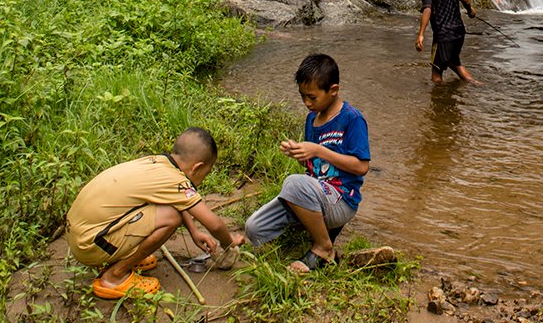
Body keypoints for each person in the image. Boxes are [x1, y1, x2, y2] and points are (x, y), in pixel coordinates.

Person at [65, 128, 245, 299]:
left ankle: (124, 256)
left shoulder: (159, 162)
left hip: (80, 234)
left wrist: (194, 231)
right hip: (90, 245)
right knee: (171, 218)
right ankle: (114, 276)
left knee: (167, 211)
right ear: (197, 167)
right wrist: (229, 242)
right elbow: (214, 224)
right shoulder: (175, 180)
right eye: (206, 173)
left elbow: (172, 200)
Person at [244, 53, 370, 273]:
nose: (307, 103)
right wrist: (300, 153)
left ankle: (324, 247)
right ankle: (313, 228)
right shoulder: (312, 119)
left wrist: (319, 150)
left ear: (333, 90)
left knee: (293, 184)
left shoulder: (352, 119)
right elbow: (311, 169)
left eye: (312, 97)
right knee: (254, 229)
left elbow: (361, 166)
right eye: (303, 97)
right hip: (317, 195)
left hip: (341, 201)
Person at [415, 0, 478, 83]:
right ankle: (476, 84)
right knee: (455, 63)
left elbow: (427, 9)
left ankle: (442, 100)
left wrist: (421, 34)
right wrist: (471, 10)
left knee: (436, 74)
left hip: (443, 36)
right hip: (459, 32)